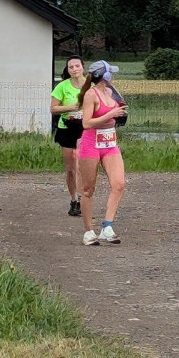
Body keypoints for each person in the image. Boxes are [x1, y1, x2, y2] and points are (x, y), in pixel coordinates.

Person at [77, 60, 128, 246]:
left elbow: (119, 110)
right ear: (104, 75)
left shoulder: (111, 91)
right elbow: (86, 123)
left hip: (110, 143)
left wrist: (121, 115)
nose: (113, 76)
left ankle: (107, 227)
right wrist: (110, 114)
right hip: (91, 144)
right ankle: (88, 231)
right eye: (111, 73)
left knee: (119, 183)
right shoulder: (91, 94)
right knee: (88, 189)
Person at [50, 56, 85, 216]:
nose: (74, 69)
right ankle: (74, 200)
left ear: (83, 67)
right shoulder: (62, 87)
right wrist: (71, 107)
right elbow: (53, 109)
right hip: (67, 129)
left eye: (77, 66)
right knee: (71, 168)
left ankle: (84, 199)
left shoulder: (90, 86)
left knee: (82, 167)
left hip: (86, 129)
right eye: (71, 67)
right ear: (68, 70)